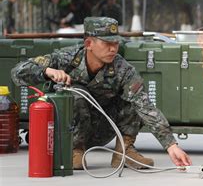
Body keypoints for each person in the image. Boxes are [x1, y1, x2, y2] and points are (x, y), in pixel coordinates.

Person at [11, 17, 192, 170]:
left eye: (116, 43)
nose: (113, 48)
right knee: (76, 92)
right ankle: (75, 151)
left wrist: (171, 146)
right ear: (89, 43)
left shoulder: (123, 70)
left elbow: (145, 106)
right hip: (68, 131)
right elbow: (17, 72)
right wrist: (46, 72)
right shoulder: (67, 59)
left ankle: (124, 151)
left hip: (103, 128)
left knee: (135, 96)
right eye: (107, 43)